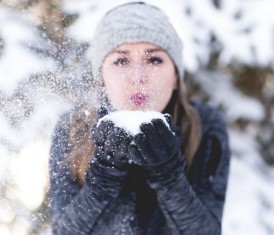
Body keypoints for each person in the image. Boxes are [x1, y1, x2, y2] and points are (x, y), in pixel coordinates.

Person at [49, 2, 230, 235]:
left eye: (154, 60)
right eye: (121, 60)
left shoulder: (204, 127)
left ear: (176, 76)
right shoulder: (73, 128)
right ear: (101, 76)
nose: (137, 77)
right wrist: (105, 174)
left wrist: (169, 176)